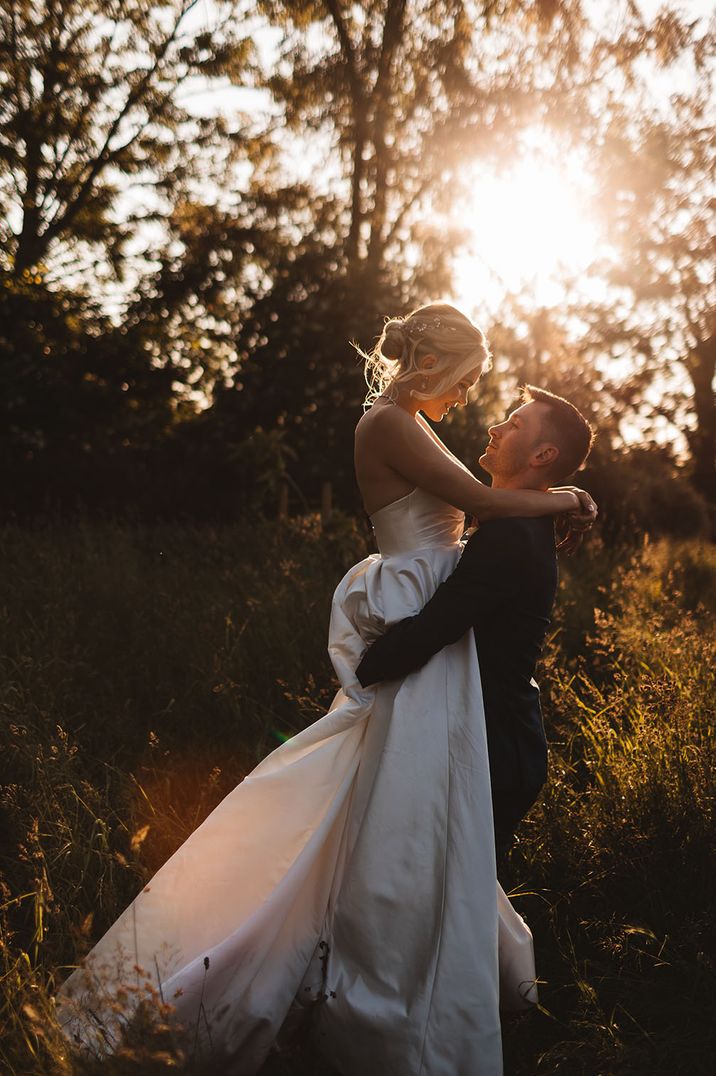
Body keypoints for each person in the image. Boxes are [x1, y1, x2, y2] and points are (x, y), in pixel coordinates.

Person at [57, 303, 596, 1076]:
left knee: (397, 830)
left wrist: (546, 508)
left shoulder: (412, 424)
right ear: (438, 361)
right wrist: (564, 498)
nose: (475, 400)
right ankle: (333, 983)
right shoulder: (388, 424)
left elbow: (476, 531)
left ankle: (368, 978)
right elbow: (476, 508)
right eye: (472, 380)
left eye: (492, 397)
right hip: (422, 645)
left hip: (435, 654)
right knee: (363, 819)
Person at [355, 385, 595, 865]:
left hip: (493, 753)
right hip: (483, 741)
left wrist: (358, 673)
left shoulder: (511, 536)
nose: (496, 427)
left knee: (459, 905)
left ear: (543, 454)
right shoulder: (518, 526)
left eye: (515, 425)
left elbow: (433, 630)